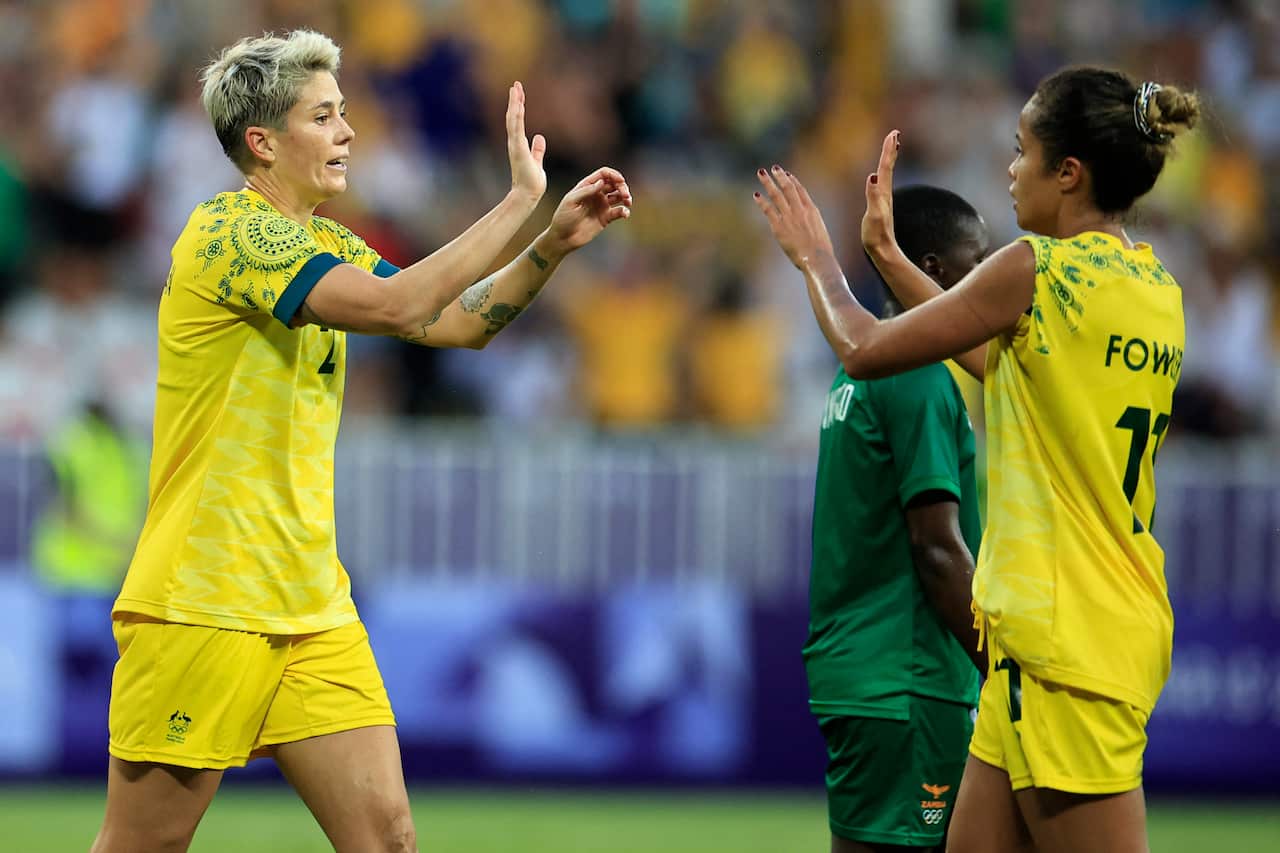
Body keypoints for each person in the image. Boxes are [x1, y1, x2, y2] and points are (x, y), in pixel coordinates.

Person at [93, 29, 631, 853]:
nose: (348, 132)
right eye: (324, 116)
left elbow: (453, 322)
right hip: (205, 599)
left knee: (388, 838)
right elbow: (398, 307)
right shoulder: (230, 232)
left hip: (311, 605)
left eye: (345, 112)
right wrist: (517, 203)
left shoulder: (328, 245)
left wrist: (550, 245)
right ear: (263, 142)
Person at [755, 66, 1197, 853]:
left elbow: (862, 347)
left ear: (1070, 173)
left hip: (1069, 642)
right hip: (1049, 636)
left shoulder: (1036, 270)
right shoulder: (1154, 289)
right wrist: (891, 257)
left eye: (1022, 151)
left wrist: (819, 258)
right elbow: (997, 359)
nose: (1010, 169)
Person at [805, 185, 990, 853]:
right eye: (978, 265)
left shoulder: (854, 374)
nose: (988, 282)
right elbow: (938, 549)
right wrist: (1002, 665)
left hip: (858, 673)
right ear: (936, 270)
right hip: (908, 678)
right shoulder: (919, 376)